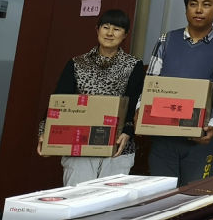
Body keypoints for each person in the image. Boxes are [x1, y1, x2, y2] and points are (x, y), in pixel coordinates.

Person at [37, 9, 144, 185]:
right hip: (80, 145)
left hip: (117, 147)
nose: (110, 33)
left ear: (125, 34)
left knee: (111, 199)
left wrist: (127, 132)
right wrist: (45, 132)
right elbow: (59, 100)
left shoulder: (134, 65)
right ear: (97, 29)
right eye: (105, 27)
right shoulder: (77, 63)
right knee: (78, 196)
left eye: (117, 29)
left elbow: (134, 103)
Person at [142, 0, 213, 185]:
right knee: (161, 194)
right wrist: (141, 109)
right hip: (164, 135)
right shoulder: (166, 40)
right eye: (193, 4)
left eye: (206, 4)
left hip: (200, 137)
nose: (199, 10)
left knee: (195, 195)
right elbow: (151, 82)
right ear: (186, 8)